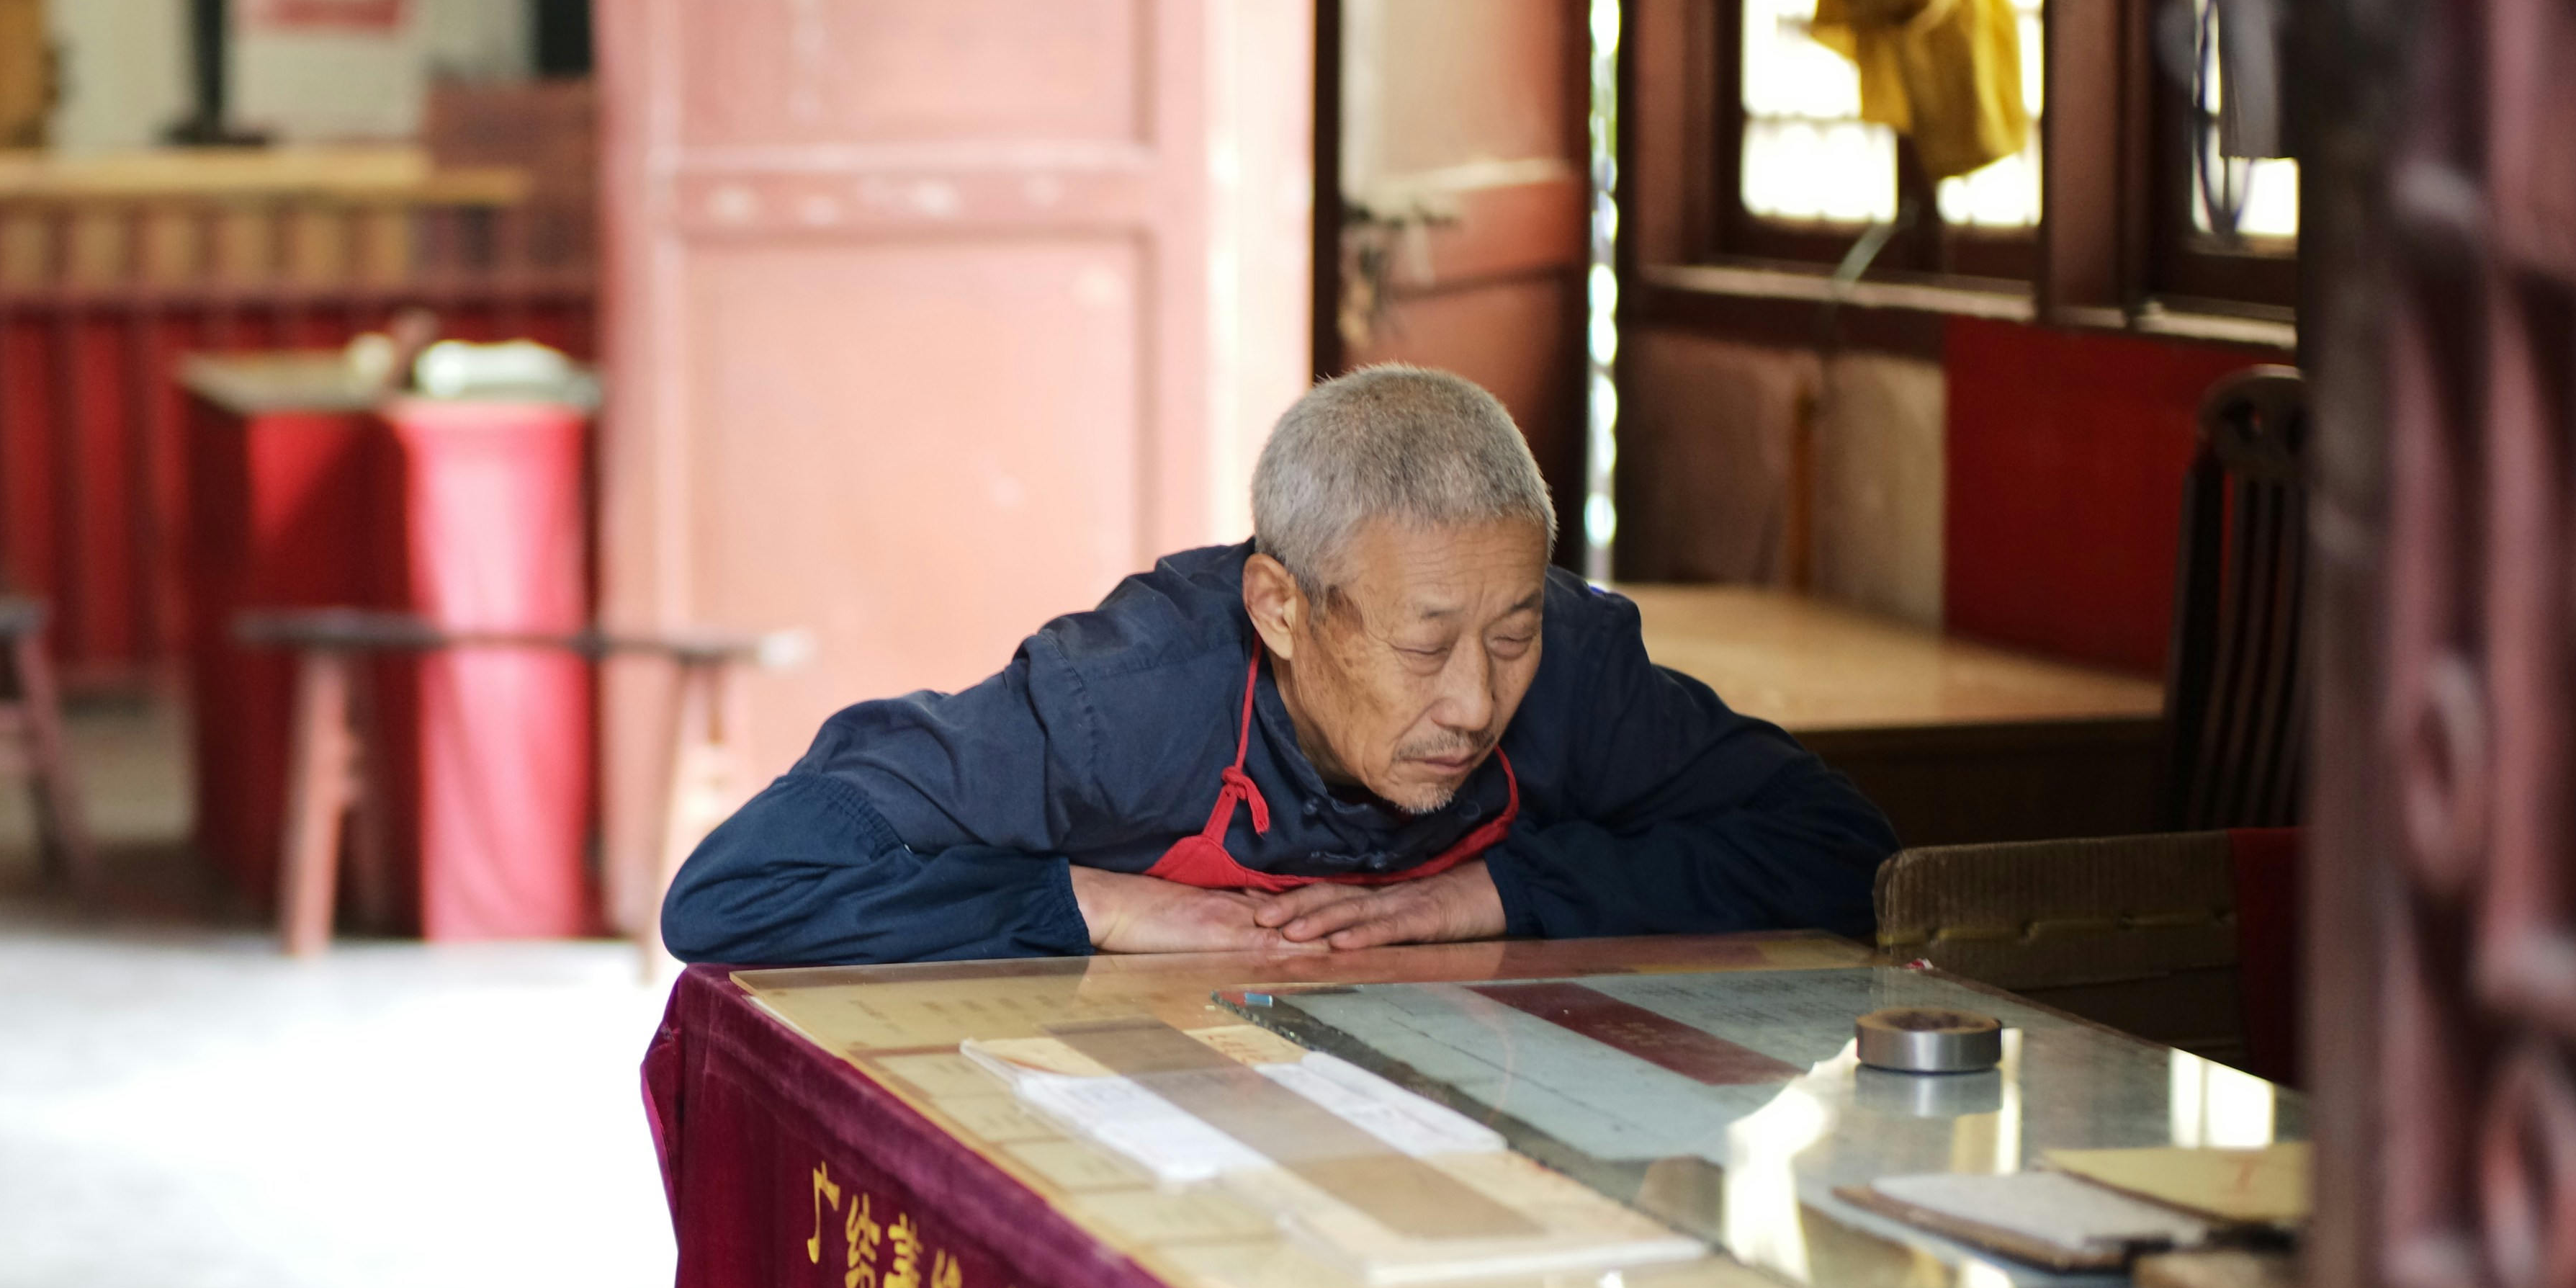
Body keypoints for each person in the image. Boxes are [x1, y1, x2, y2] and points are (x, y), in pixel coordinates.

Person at [658, 365, 1897, 966]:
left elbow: (1844, 852)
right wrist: (1098, 903)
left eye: (1508, 635)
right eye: (1423, 647)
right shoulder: (1126, 702)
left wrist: (1494, 895)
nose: (1473, 703)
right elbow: (740, 891)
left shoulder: (1572, 669)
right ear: (1281, 608)